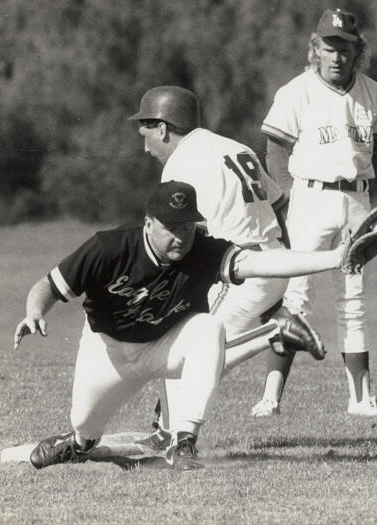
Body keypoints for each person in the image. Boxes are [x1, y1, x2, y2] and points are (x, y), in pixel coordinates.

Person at [14, 181, 346, 471]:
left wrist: (333, 259)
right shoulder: (109, 248)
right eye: (171, 227)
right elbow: (48, 286)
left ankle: (183, 442)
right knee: (85, 430)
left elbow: (262, 262)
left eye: (187, 226)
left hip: (163, 346)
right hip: (109, 351)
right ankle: (78, 444)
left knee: (208, 329)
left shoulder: (203, 249)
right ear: (148, 223)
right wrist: (34, 311)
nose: (181, 236)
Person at [128, 84, 301, 434]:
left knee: (189, 351)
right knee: (189, 348)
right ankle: (167, 431)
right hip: (270, 260)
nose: (144, 145)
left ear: (162, 128)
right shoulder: (232, 147)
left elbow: (177, 235)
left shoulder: (182, 162)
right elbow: (280, 204)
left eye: (145, 131)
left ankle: (274, 331)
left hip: (239, 268)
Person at [260, 8, 377, 417]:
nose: (337, 56)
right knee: (296, 294)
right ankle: (270, 398)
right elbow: (275, 149)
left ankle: (361, 400)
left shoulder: (372, 92)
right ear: (315, 49)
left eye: (346, 47)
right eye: (329, 47)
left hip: (356, 199)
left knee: (352, 296)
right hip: (309, 195)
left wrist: (366, 185)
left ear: (357, 51)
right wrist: (287, 198)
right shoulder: (296, 91)